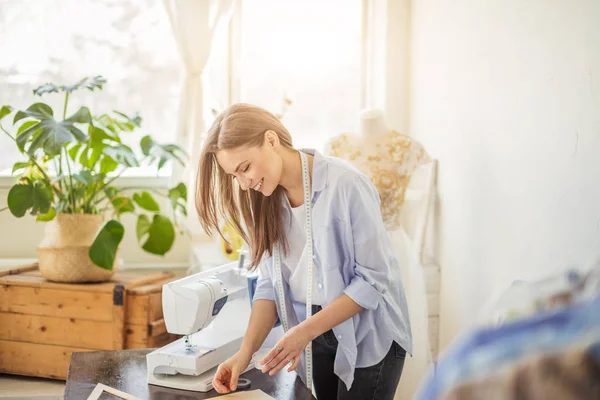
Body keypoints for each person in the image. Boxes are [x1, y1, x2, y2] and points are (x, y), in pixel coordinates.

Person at [196, 103, 412, 400]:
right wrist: (243, 354)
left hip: (367, 335)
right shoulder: (264, 201)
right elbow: (270, 284)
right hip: (312, 336)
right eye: (235, 176)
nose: (244, 184)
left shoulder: (346, 185)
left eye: (245, 168)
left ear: (271, 141)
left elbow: (373, 280)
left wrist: (304, 332)